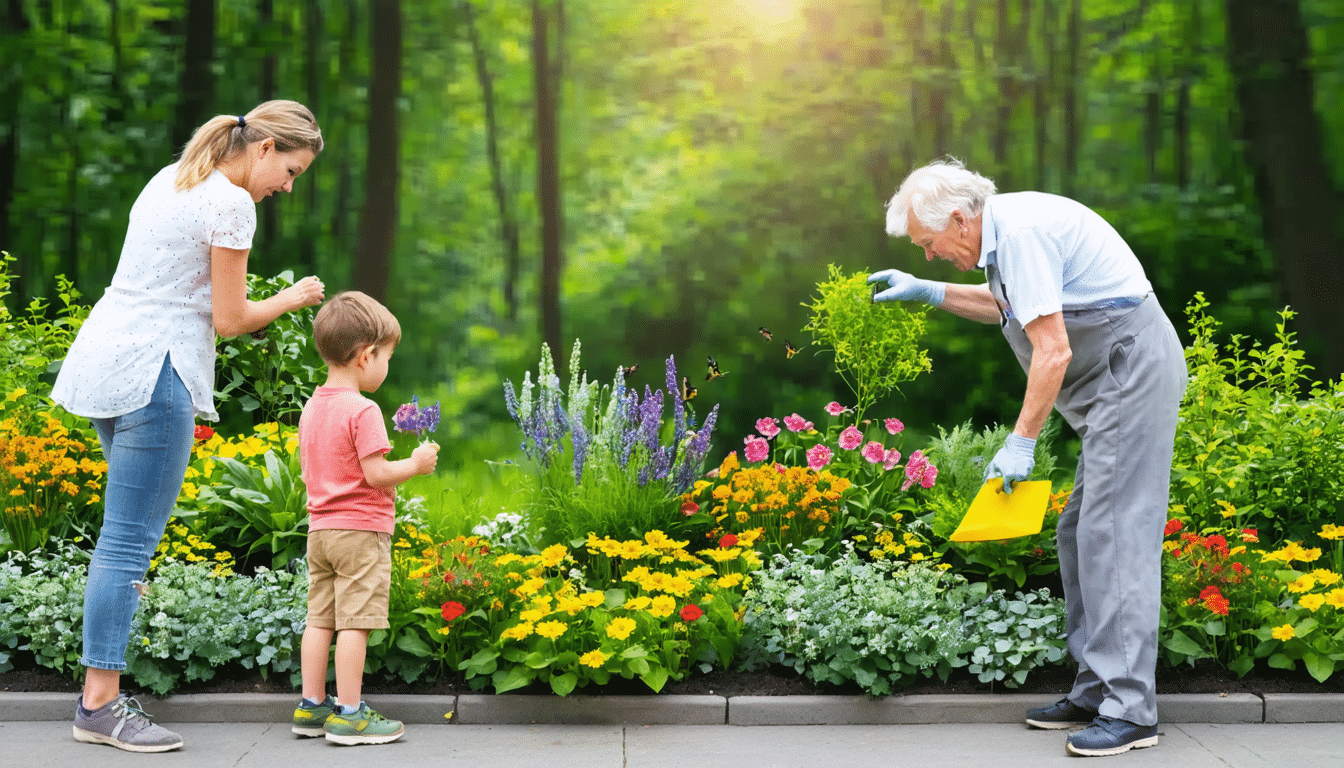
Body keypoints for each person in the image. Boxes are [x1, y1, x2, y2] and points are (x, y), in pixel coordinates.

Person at [869, 158, 1186, 757]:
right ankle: (1097, 691)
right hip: (1113, 380)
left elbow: (1053, 350)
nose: (930, 255)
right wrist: (931, 292)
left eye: (930, 246)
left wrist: (1020, 445)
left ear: (960, 220)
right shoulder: (1003, 238)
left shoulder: (1022, 234)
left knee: (1114, 532)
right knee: (1079, 530)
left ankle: (1130, 708)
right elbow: (1010, 307)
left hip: (1129, 373)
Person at [51, 100, 325, 753]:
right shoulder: (230, 203)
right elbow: (229, 319)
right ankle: (99, 704)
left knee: (120, 539)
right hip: (156, 376)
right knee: (126, 545)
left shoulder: (172, 178)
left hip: (105, 365)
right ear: (263, 149)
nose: (287, 185)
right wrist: (293, 297)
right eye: (289, 169)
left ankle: (100, 695)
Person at [290, 291, 439, 746]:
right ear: (365, 355)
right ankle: (350, 714)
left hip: (321, 530)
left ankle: (311, 707)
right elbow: (376, 474)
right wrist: (415, 464)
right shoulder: (363, 409)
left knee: (320, 619)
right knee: (356, 622)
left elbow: (307, 469)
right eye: (387, 357)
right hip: (360, 532)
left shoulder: (313, 406)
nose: (386, 366)